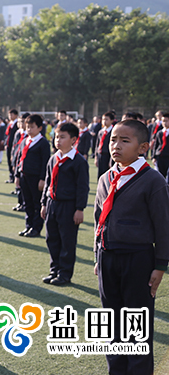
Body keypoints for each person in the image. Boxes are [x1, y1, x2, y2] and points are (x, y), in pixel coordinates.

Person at [94, 119, 169, 374]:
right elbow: (98, 219)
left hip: (138, 259)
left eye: (125, 141)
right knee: (112, 322)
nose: (116, 145)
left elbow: (163, 225)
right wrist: (97, 256)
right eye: (113, 140)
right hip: (107, 257)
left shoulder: (153, 180)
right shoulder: (106, 178)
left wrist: (160, 265)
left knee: (136, 324)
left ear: (143, 147)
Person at [40, 123, 89, 286]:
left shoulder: (78, 161)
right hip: (52, 204)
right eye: (56, 137)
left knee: (67, 241)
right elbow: (48, 182)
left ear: (73, 140)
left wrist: (79, 209)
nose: (58, 140)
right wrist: (44, 203)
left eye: (62, 137)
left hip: (68, 206)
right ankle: (54, 270)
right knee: (51, 238)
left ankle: (65, 273)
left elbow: (82, 187)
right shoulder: (53, 158)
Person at [15, 114, 50, 238]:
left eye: (32, 127)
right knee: (27, 202)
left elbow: (45, 163)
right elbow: (20, 158)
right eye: (27, 127)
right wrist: (17, 175)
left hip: (36, 177)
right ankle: (28, 226)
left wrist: (42, 179)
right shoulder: (25, 140)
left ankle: (36, 228)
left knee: (37, 203)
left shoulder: (43, 143)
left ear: (39, 128)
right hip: (24, 176)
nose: (29, 129)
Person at [95, 111, 114, 179]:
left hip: (108, 155)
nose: (104, 121)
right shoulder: (101, 132)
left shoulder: (113, 132)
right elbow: (97, 145)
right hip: (100, 154)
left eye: (106, 119)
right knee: (100, 174)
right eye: (103, 119)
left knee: (108, 175)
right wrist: (96, 157)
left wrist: (111, 160)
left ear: (111, 120)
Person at [152, 112, 169, 178]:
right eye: (163, 121)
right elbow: (156, 145)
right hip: (160, 156)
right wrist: (154, 157)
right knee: (160, 175)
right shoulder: (159, 133)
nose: (164, 123)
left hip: (167, 156)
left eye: (166, 121)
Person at [5, 109, 19, 182]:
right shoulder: (10, 124)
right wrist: (5, 143)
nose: (10, 116)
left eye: (11, 114)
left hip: (14, 145)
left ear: (16, 115)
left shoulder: (17, 124)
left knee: (14, 161)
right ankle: (11, 176)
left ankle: (15, 176)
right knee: (9, 161)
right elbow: (7, 135)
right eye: (9, 115)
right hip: (8, 145)